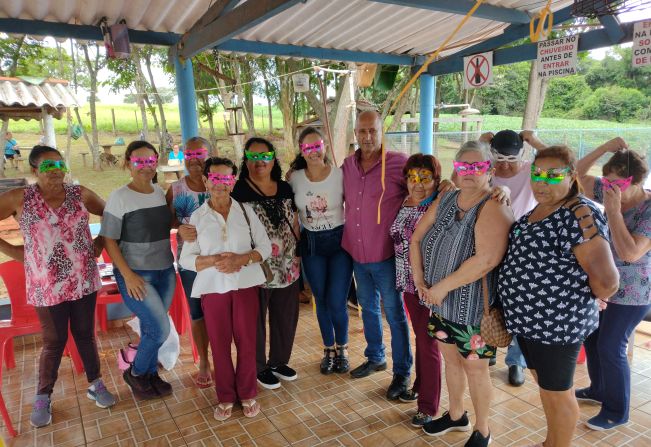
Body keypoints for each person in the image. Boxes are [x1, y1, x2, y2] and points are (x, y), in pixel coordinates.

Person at [498, 145, 619, 447]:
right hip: (530, 325)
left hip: (556, 327)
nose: (542, 182)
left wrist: (581, 299)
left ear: (571, 176)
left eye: (553, 176)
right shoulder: (539, 210)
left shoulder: (579, 212)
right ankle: (551, 442)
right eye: (537, 174)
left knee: (558, 393)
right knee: (548, 388)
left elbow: (607, 282)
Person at [0, 145, 116, 428]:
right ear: (34, 170)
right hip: (46, 286)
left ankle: (95, 383)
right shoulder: (20, 198)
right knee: (54, 340)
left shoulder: (80, 194)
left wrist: (99, 244)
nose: (56, 171)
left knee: (85, 334)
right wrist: (17, 253)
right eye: (48, 166)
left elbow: (110, 215)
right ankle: (43, 395)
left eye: (60, 165)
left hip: (83, 280)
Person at [410, 141, 513, 447]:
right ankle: (456, 415)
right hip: (440, 306)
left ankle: (483, 430)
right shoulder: (446, 198)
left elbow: (487, 259)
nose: (468, 172)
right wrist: (419, 279)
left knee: (475, 369)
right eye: (463, 166)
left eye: (476, 167)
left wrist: (439, 287)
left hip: (472, 311)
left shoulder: (494, 204)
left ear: (489, 171)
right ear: (455, 168)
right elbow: (416, 238)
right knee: (451, 362)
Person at [179, 157, 271, 421]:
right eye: (215, 179)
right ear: (206, 181)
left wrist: (240, 260)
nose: (221, 184)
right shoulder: (197, 217)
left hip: (245, 286)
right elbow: (185, 259)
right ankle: (225, 397)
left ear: (233, 182)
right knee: (219, 344)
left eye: (227, 179)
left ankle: (248, 393)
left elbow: (264, 248)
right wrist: (214, 261)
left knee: (247, 342)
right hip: (213, 288)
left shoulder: (245, 211)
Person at [575, 138, 651, 431]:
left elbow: (630, 253)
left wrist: (615, 211)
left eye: (617, 183)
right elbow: (577, 175)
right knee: (593, 338)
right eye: (607, 182)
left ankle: (617, 411)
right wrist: (602, 148)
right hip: (605, 283)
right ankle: (598, 390)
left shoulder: (646, 208)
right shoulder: (609, 189)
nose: (610, 188)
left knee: (611, 346)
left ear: (636, 180)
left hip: (634, 292)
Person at [342, 110, 413, 400]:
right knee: (367, 308)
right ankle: (375, 356)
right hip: (357, 253)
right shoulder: (347, 165)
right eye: (362, 131)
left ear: (382, 131)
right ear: (355, 133)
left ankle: (402, 372)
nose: (367, 136)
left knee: (395, 314)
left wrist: (446, 185)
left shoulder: (399, 163)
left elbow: (426, 186)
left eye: (372, 130)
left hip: (386, 254)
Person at [101, 140, 177, 400]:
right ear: (128, 163)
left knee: (150, 327)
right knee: (160, 329)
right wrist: (128, 274)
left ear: (156, 161)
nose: (145, 166)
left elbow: (167, 225)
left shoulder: (159, 192)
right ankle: (135, 372)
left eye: (150, 161)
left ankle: (149, 375)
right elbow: (109, 239)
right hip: (136, 275)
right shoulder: (120, 197)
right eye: (139, 161)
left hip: (165, 271)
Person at [231, 137, 301, 390]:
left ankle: (279, 361)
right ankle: (258, 365)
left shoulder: (284, 188)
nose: (259, 162)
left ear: (273, 159)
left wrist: (298, 254)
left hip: (287, 263)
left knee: (285, 315)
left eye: (264, 157)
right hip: (255, 265)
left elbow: (294, 222)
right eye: (253, 157)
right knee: (255, 319)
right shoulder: (237, 190)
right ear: (246, 160)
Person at [479, 129, 547, 386]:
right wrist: (479, 141)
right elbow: (460, 173)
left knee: (520, 304)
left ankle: (516, 361)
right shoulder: (487, 170)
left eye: (511, 160)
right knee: (491, 299)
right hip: (489, 244)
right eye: (500, 160)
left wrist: (535, 141)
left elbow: (562, 165)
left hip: (522, 249)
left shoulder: (531, 170)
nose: (506, 166)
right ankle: (493, 344)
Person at [288, 127, 353, 374]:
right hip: (312, 243)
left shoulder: (340, 175)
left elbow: (357, 206)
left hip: (339, 243)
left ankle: (343, 348)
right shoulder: (294, 179)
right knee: (322, 299)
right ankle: (328, 349)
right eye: (308, 148)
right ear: (302, 151)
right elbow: (291, 215)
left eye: (318, 146)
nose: (314, 152)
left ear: (325, 146)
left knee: (337, 301)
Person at [389, 153, 443, 426]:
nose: (418, 184)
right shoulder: (405, 201)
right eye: (412, 178)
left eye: (425, 178)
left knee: (428, 342)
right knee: (421, 339)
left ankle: (429, 406)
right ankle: (422, 387)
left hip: (429, 285)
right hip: (407, 283)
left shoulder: (440, 202)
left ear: (436, 179)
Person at [166, 136, 212, 389]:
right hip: (190, 262)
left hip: (220, 260)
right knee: (197, 313)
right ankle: (204, 361)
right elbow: (167, 221)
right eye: (189, 155)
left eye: (199, 153)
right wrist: (179, 228)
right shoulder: (176, 189)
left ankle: (225, 358)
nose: (194, 159)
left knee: (221, 311)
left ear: (209, 153)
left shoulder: (220, 181)